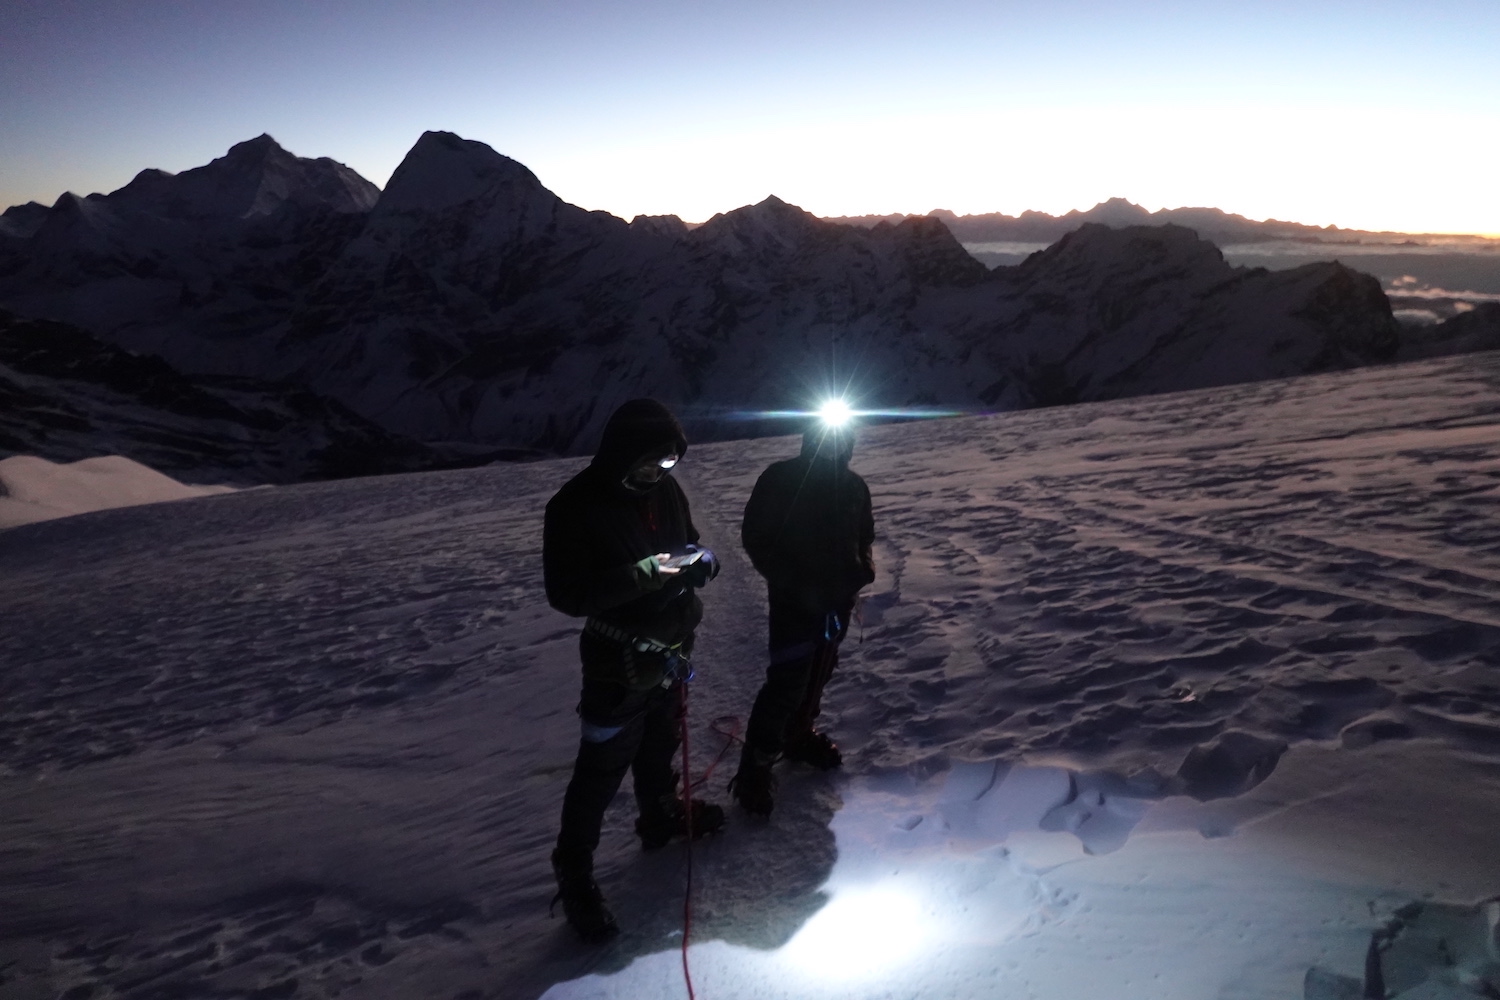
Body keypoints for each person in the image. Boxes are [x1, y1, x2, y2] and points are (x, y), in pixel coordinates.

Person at [543, 398, 725, 943]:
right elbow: (568, 593)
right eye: (651, 460)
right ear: (622, 452)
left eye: (670, 461)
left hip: (670, 646)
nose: (660, 471)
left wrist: (700, 561)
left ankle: (660, 814)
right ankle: (575, 872)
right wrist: (641, 576)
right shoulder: (575, 505)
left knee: (661, 740)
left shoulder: (665, 490)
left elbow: (686, 541)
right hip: (617, 661)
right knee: (601, 768)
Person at [730, 418, 875, 816]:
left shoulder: (854, 486)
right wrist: (793, 582)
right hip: (794, 602)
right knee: (787, 682)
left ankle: (798, 734)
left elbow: (864, 534)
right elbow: (757, 536)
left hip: (838, 600)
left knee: (820, 670)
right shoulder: (781, 478)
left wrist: (862, 570)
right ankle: (755, 769)